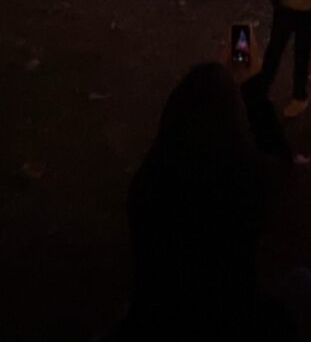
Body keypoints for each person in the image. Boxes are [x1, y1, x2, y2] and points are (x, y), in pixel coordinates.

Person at [111, 63, 291, 338]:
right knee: (304, 283)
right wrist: (251, 89)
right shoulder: (246, 183)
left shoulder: (150, 181)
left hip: (157, 318)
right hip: (231, 319)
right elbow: (281, 165)